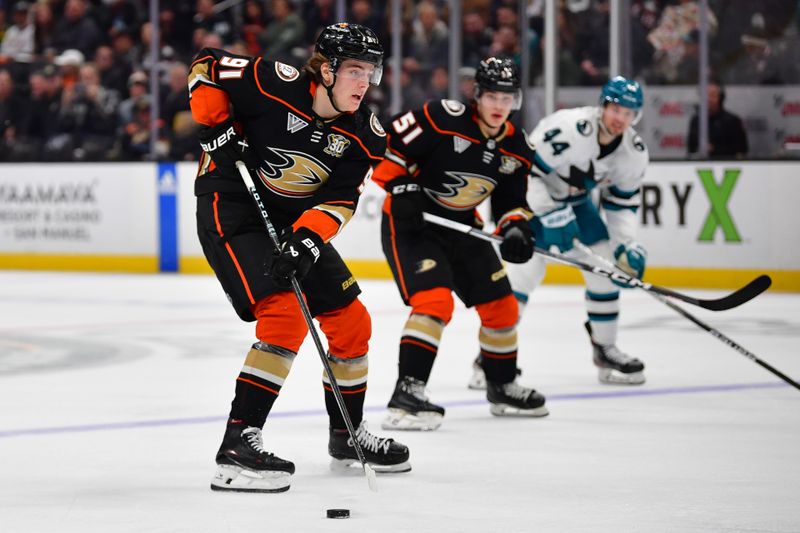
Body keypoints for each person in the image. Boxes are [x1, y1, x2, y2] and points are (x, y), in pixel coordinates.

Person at [188, 22, 410, 493]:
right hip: (232, 205)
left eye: (371, 72)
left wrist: (306, 241)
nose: (365, 82)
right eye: (354, 70)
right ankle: (237, 446)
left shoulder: (364, 133)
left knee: (353, 322)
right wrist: (217, 127)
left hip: (291, 219)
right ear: (326, 69)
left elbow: (340, 201)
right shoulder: (274, 81)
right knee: (284, 314)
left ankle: (347, 436)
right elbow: (206, 64)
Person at [374, 57, 549, 432]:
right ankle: (408, 393)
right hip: (413, 225)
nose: (500, 106)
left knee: (502, 306)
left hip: (463, 227)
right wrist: (398, 184)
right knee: (434, 302)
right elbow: (385, 145)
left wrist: (516, 227)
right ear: (478, 96)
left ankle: (501, 385)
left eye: (508, 98)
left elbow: (511, 202)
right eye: (492, 97)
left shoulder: (517, 146)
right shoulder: (441, 117)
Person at [470, 76, 649, 388]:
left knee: (606, 266)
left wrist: (627, 246)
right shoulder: (569, 128)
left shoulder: (632, 153)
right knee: (523, 276)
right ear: (604, 106)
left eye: (629, 113)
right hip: (530, 200)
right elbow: (526, 171)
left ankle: (605, 348)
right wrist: (550, 213)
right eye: (616, 109)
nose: (620, 119)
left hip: (577, 205)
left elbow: (622, 206)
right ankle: (489, 358)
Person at [687, 80, 748, 159]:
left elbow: (741, 150)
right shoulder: (696, 121)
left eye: (712, 96)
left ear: (720, 98)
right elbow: (691, 149)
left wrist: (715, 149)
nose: (708, 99)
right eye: (705, 95)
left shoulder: (733, 121)